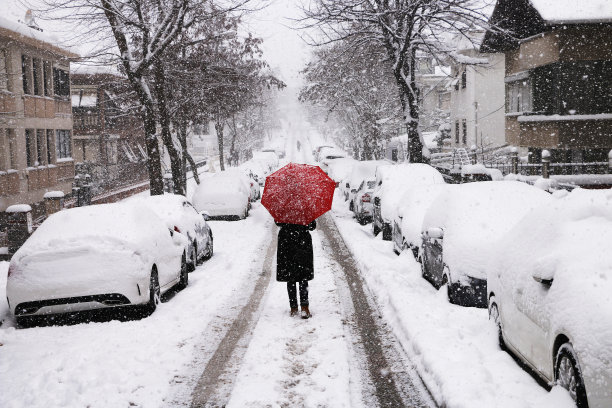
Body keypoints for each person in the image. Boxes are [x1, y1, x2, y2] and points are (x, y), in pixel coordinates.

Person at [276, 220, 316, 319]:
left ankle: (293, 307)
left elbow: (278, 222)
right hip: (302, 243)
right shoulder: (305, 208)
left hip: (287, 243)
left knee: (291, 277)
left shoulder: (284, 208)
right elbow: (312, 226)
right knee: (303, 276)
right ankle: (304, 307)